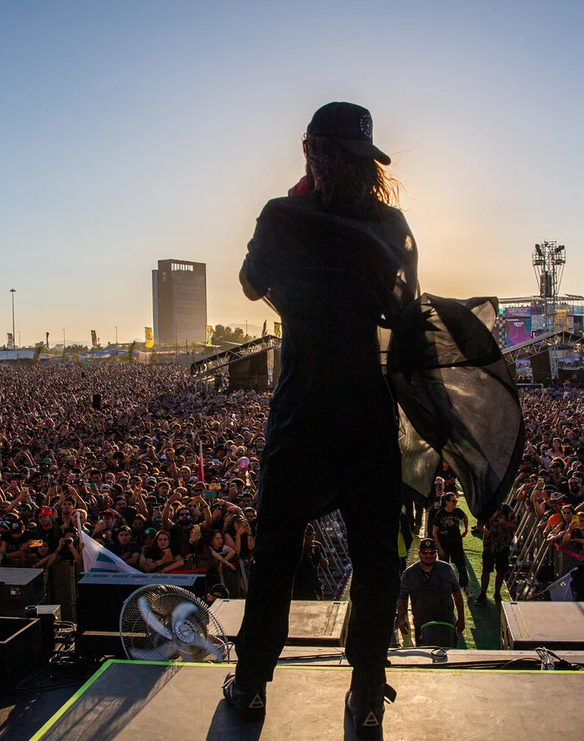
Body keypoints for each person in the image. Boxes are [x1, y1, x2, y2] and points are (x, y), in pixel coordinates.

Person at [225, 101, 416, 738]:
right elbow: (404, 313)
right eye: (350, 156)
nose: (357, 170)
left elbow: (252, 284)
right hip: (362, 410)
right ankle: (364, 690)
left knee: (280, 550)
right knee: (372, 559)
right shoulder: (390, 224)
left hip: (305, 408)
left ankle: (252, 684)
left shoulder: (282, 216)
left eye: (360, 160)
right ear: (317, 149)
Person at [396, 538, 464, 646]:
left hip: (445, 622)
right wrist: (401, 619)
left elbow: (457, 594)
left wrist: (461, 618)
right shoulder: (409, 574)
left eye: (432, 552)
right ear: (419, 553)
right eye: (425, 553)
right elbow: (402, 598)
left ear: (436, 554)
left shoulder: (446, 569)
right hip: (421, 624)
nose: (428, 556)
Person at [432, 492, 470, 593]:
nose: (455, 503)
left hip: (456, 542)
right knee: (443, 566)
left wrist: (466, 529)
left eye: (455, 501)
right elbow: (434, 532)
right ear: (447, 502)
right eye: (453, 501)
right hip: (444, 543)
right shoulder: (440, 514)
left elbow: (465, 517)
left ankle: (465, 586)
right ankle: (443, 586)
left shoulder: (457, 511)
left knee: (461, 565)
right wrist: (439, 548)